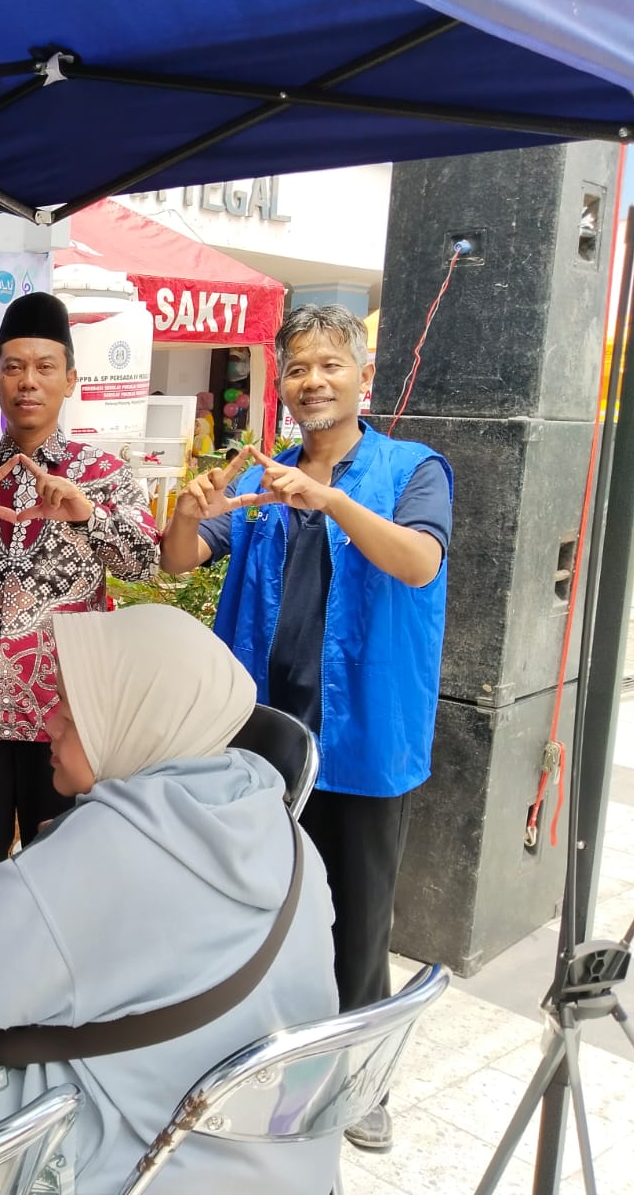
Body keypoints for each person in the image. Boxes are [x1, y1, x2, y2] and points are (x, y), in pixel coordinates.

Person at [0, 604, 340, 1193]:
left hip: (128, 1165)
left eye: (75, 706)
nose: (49, 720)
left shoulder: (103, 852)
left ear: (142, 715)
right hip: (277, 1163)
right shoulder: (283, 831)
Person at [159, 303, 452, 1151]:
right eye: (296, 369)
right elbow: (182, 557)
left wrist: (327, 500)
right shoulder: (264, 475)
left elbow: (419, 561)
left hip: (363, 738)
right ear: (281, 385)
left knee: (359, 924)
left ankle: (362, 1084)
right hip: (265, 738)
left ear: (364, 376)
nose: (312, 381)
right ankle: (255, 1056)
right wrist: (189, 509)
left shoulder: (412, 468)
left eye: (329, 364)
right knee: (263, 906)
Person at [0, 291, 160, 904]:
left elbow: (146, 562)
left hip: (65, 719)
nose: (28, 382)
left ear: (70, 379)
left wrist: (87, 516)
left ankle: (59, 998)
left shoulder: (101, 473)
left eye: (45, 367)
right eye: (14, 368)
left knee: (65, 875)